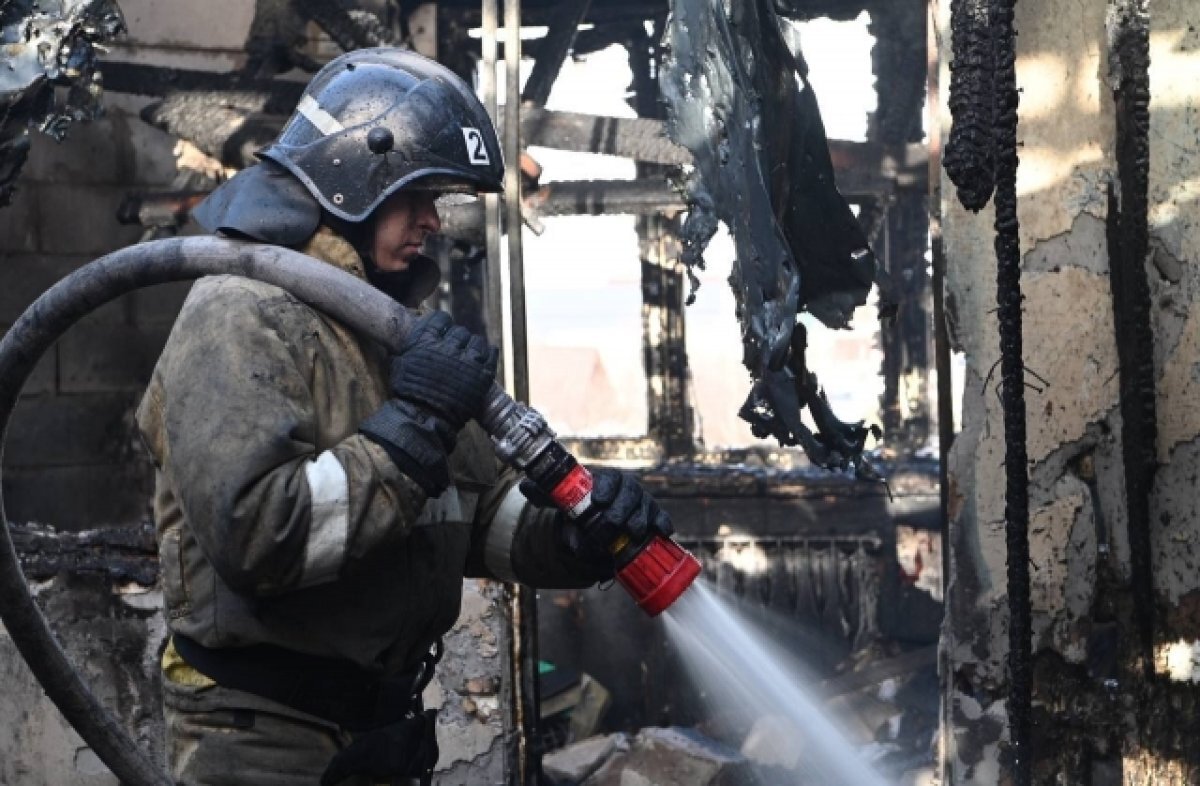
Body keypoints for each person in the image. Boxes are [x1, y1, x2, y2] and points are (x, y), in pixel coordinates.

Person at [136, 48, 673, 786]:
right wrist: (415, 422)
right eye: (418, 194)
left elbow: (470, 513)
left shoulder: (387, 325)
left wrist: (571, 534)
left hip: (375, 728)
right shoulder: (240, 314)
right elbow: (262, 535)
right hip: (264, 740)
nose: (432, 220)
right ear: (352, 172)